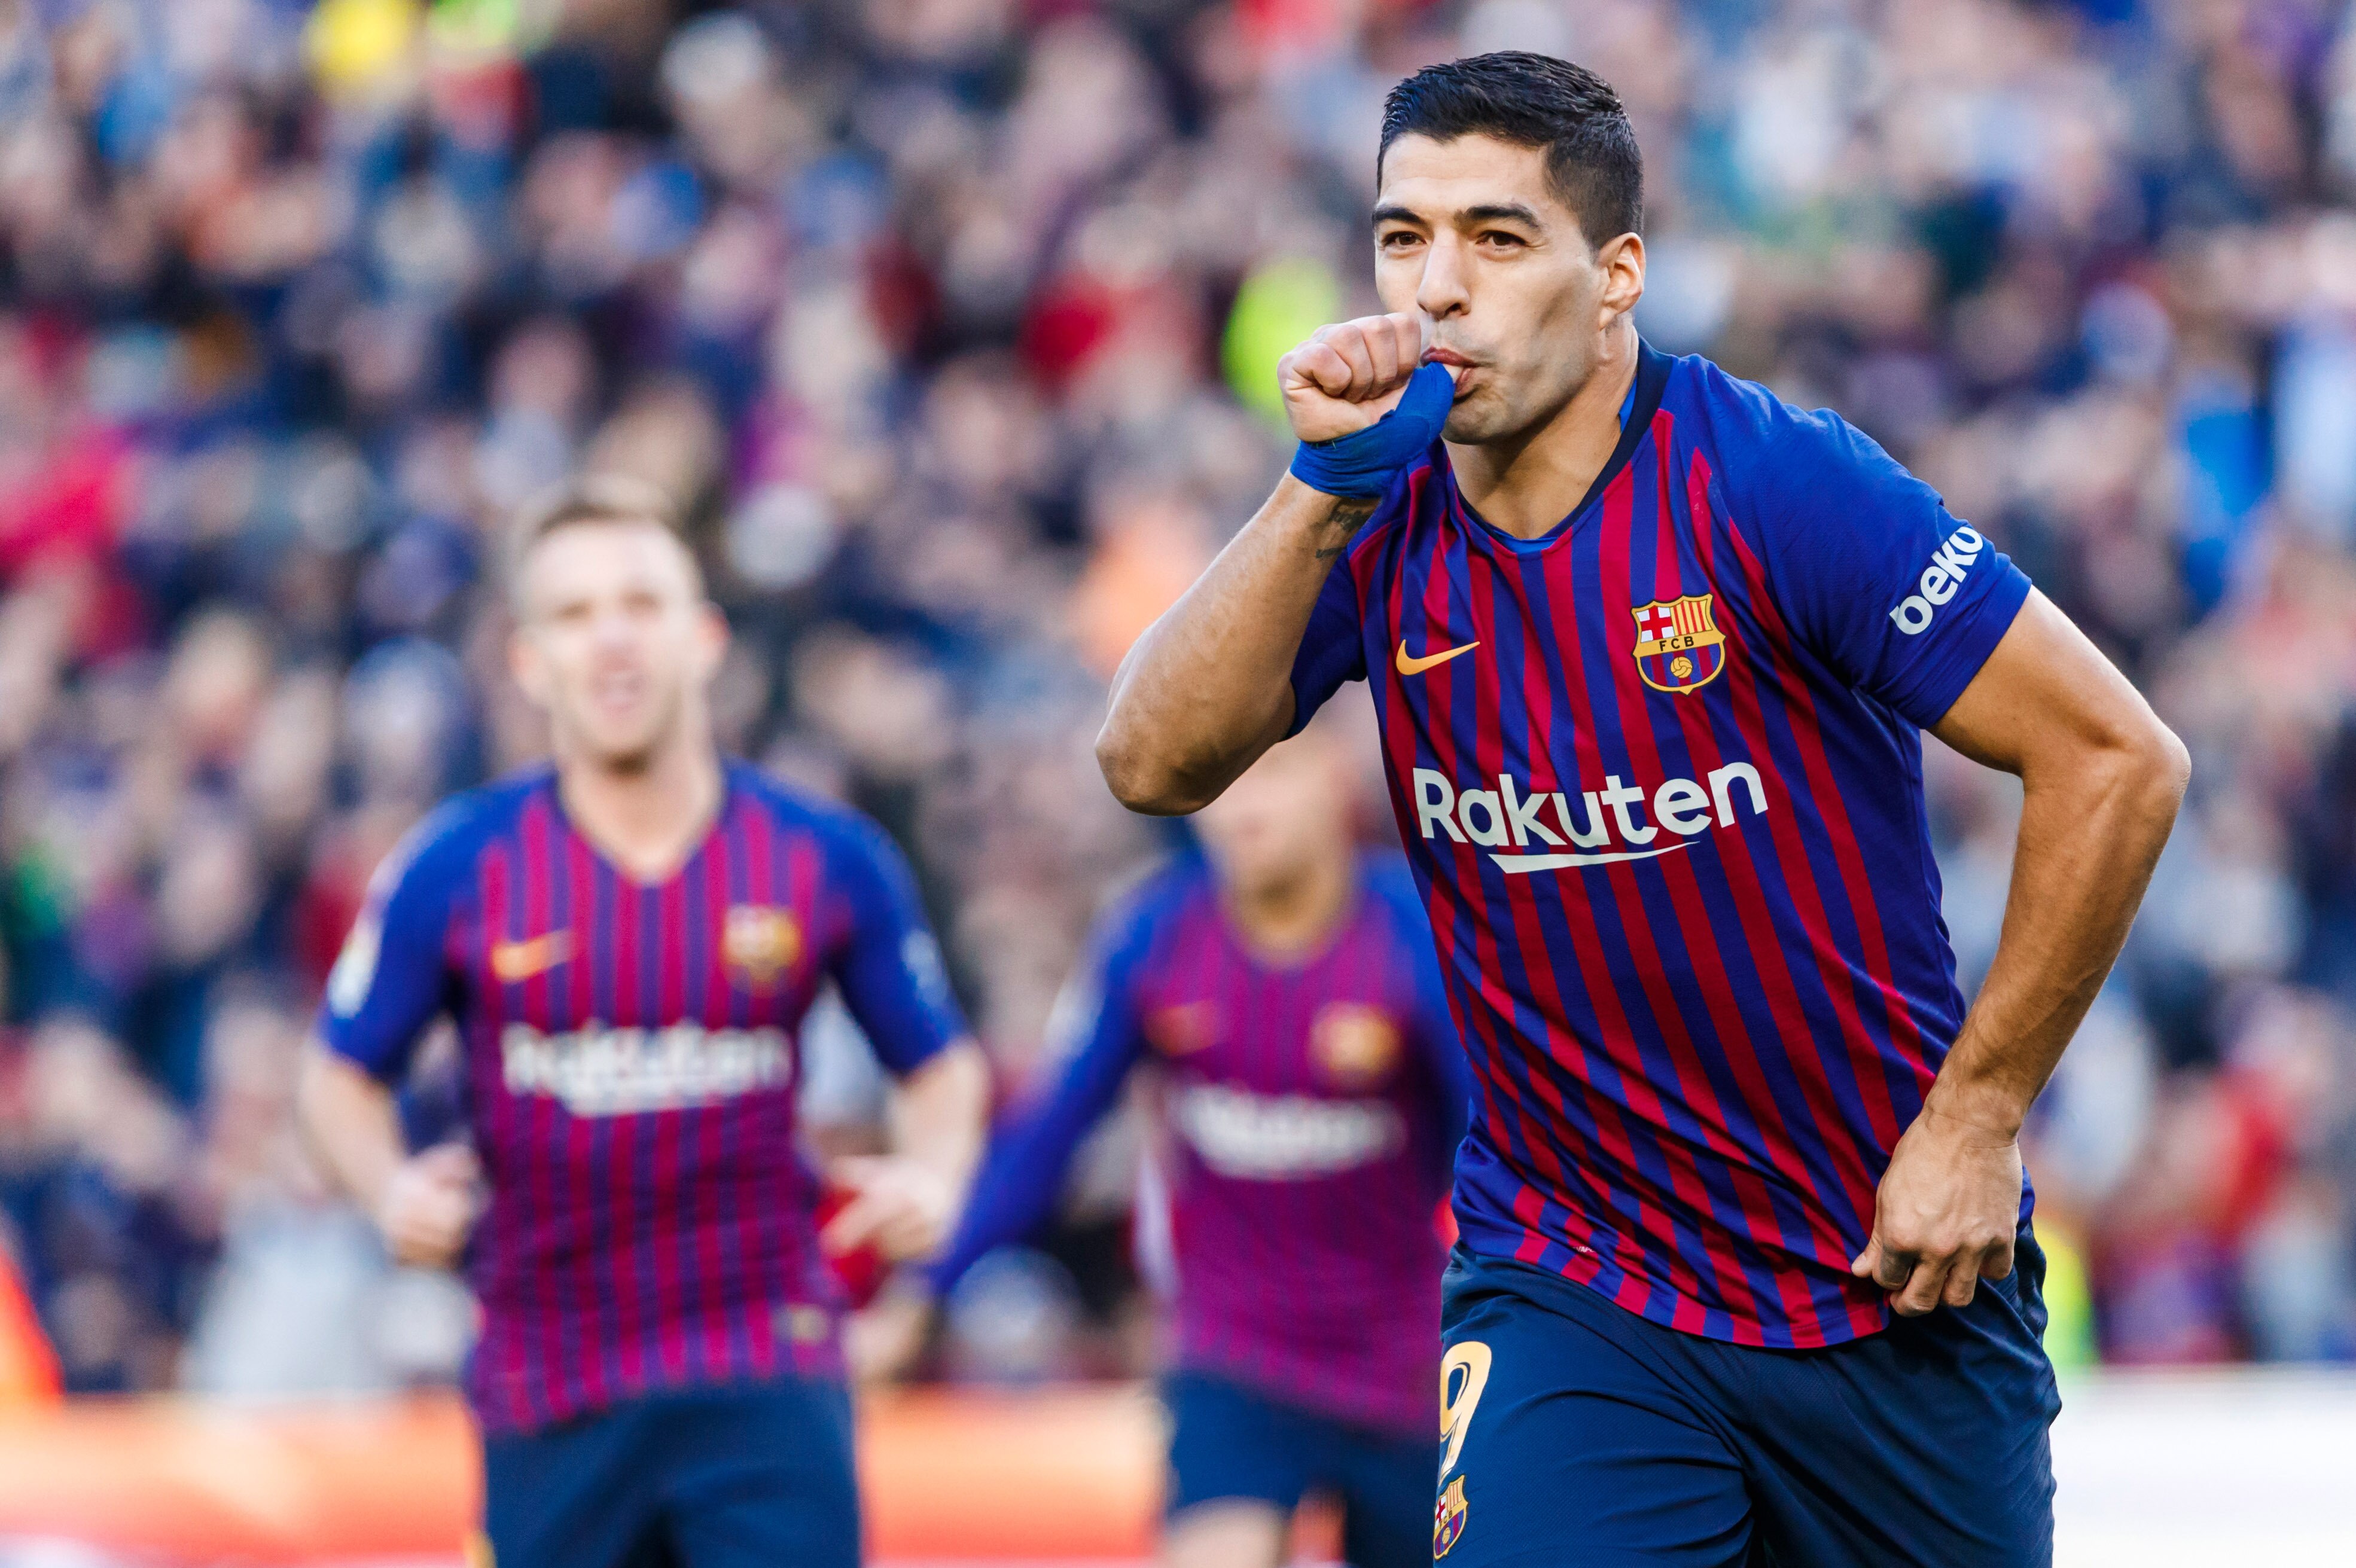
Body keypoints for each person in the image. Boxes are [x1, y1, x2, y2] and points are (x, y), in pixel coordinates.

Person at [1096, 51, 2188, 1568]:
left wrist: (1976, 1118)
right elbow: (1148, 762)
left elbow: (2117, 757)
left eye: (1494, 237)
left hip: (1881, 1273)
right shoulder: (1375, 508)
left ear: (1616, 275)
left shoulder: (1775, 484)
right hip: (1576, 1281)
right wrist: (1315, 489)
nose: (1436, 287)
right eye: (1403, 237)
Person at [295, 476, 990, 1568]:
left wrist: (937, 1178)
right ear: (529, 661)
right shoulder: (457, 867)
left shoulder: (824, 856)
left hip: (765, 1365)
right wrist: (388, 1190)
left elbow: (940, 1066)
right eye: (575, 614)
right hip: (551, 1382)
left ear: (704, 639)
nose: (613, 639)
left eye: (640, 603)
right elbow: (337, 1076)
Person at [921, 721, 1469, 1568]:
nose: (1245, 807)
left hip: (1403, 1362)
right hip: (1234, 1356)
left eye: (1273, 775)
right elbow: (1047, 1137)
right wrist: (926, 1287)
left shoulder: (1412, 935)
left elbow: (1494, 1138)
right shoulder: (1157, 934)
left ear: (1332, 782)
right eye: (1225, 780)